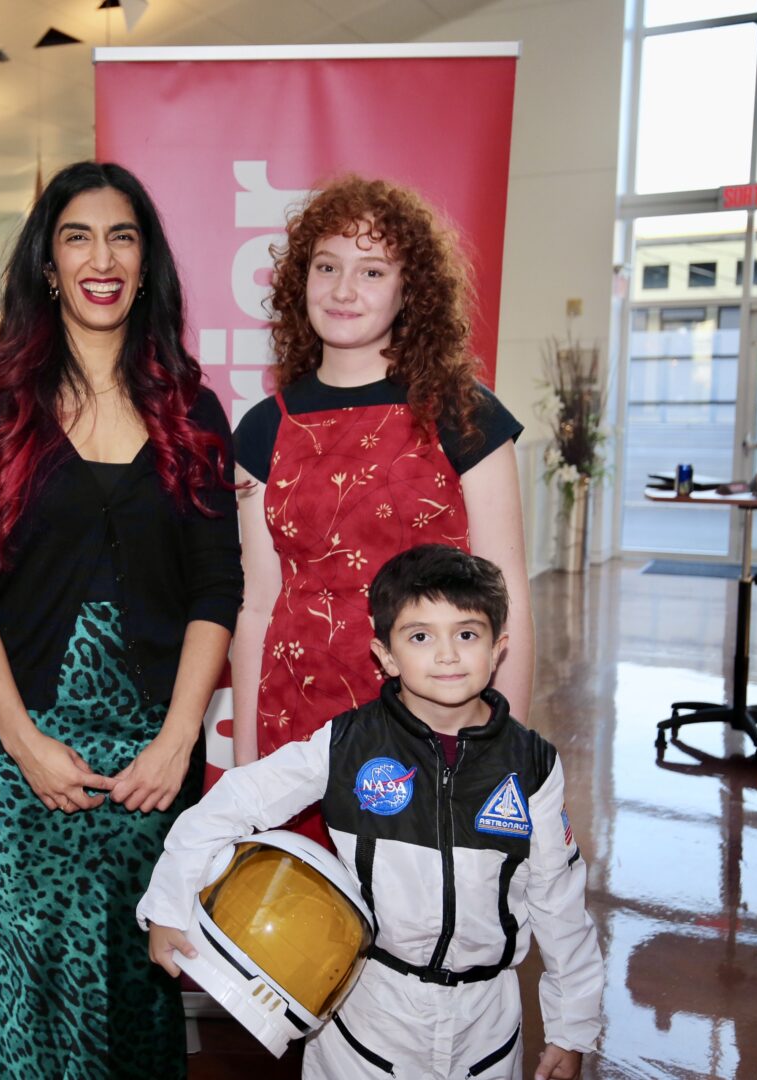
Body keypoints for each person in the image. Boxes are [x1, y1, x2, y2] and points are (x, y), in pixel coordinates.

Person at [0, 160, 243, 1077]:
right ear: (48, 265)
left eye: (122, 236)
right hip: (20, 758)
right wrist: (26, 743)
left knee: (139, 989)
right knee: (24, 998)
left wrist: (180, 743)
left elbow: (214, 589)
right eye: (77, 237)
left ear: (146, 265)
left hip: (150, 755)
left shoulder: (193, 409)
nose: (100, 257)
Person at [141, 544, 602, 1080]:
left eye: (467, 634)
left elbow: (561, 902)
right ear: (385, 655)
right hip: (368, 1020)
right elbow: (231, 803)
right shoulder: (347, 745)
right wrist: (169, 905)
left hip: (488, 1025)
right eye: (421, 636)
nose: (447, 655)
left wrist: (572, 1029)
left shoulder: (532, 764)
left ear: (498, 648)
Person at [229, 176, 534, 843]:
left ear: (408, 289)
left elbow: (506, 593)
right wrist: (247, 770)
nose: (344, 289)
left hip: (431, 716)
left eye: (371, 270)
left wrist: (502, 757)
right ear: (298, 280)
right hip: (297, 725)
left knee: (421, 929)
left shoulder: (466, 416)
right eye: (327, 266)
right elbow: (257, 604)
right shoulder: (261, 429)